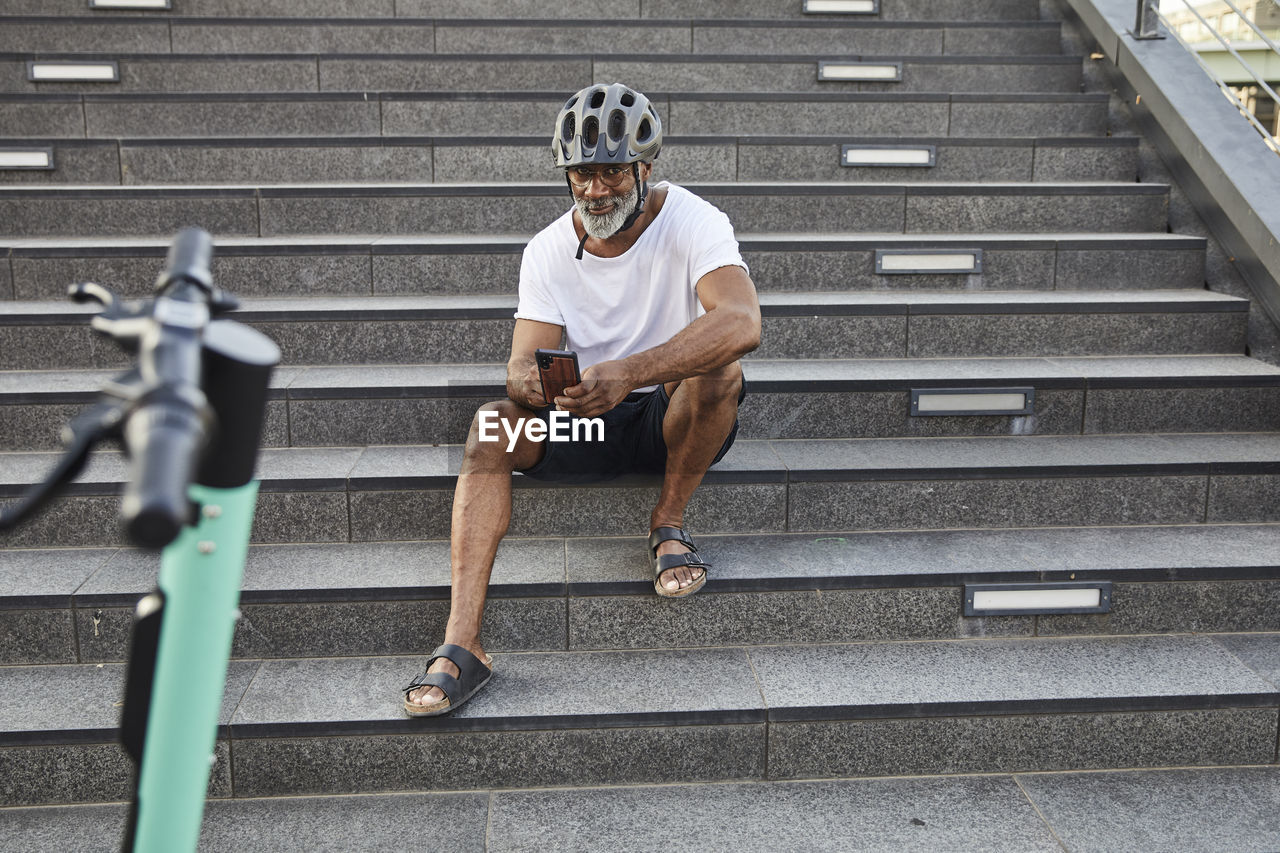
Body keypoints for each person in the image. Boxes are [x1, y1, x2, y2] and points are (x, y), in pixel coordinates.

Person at [402, 83, 761, 717]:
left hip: (667, 420)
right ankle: (463, 644)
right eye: (581, 175)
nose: (595, 190)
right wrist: (537, 387)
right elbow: (520, 361)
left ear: (645, 169)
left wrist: (630, 372)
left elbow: (741, 322)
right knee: (490, 427)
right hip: (587, 426)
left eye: (611, 173)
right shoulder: (545, 249)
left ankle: (668, 524)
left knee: (719, 371)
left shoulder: (695, 220)